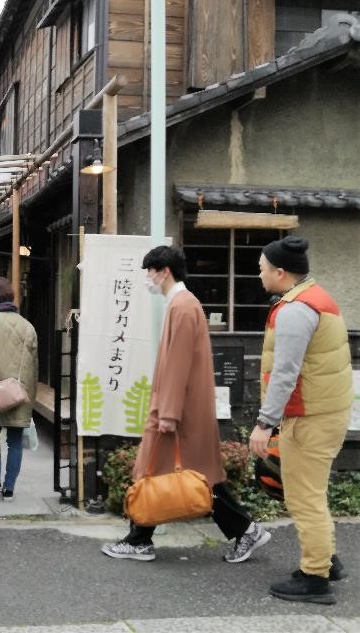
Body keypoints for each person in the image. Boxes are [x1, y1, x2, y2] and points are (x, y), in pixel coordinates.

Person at [101, 246, 270, 563]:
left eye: (149, 272)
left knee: (154, 471)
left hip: (177, 414)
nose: (147, 279)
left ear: (163, 271)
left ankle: (139, 541)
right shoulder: (184, 304)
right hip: (185, 411)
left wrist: (167, 414)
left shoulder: (181, 307)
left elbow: (177, 364)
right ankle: (245, 530)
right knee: (197, 476)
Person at [250, 236, 352, 604]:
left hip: (309, 416)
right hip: (323, 411)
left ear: (280, 272)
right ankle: (325, 560)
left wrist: (265, 423)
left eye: (262, 269)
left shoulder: (296, 310)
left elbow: (285, 373)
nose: (259, 275)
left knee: (304, 496)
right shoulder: (316, 297)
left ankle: (316, 579)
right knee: (312, 492)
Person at [0, 277, 38, 502]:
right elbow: (33, 367)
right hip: (18, 395)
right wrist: (29, 398)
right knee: (14, 442)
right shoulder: (27, 326)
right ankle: (9, 488)